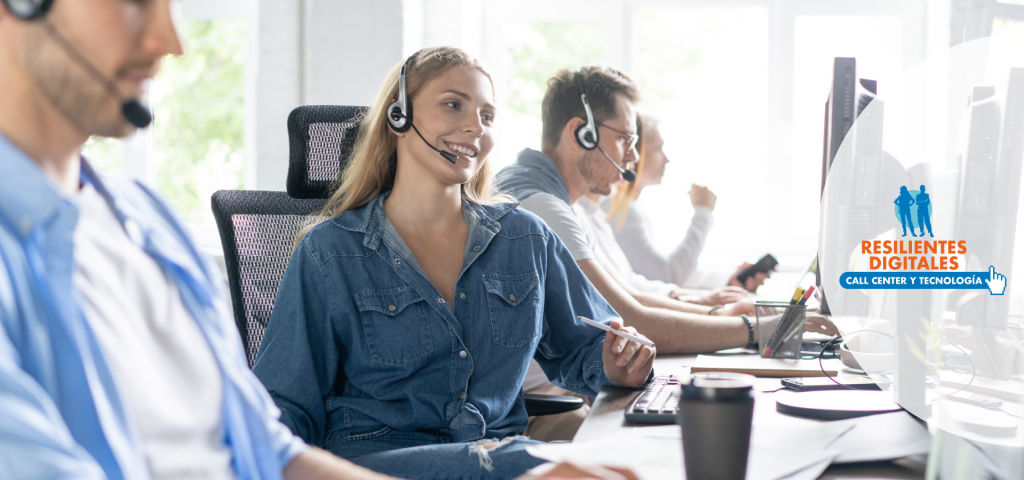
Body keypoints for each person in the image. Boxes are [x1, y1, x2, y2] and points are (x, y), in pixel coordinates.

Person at [0, 2, 633, 480]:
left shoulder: (147, 228)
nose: (174, 42)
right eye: (134, 2)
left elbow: (268, 447)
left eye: (487, 114)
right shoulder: (329, 251)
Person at [252, 47, 655, 480]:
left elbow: (586, 347)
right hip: (378, 464)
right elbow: (282, 406)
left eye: (487, 116)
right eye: (453, 105)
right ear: (398, 117)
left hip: (497, 455)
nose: (475, 127)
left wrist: (619, 363)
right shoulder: (329, 252)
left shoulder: (524, 238)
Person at [495, 67, 761, 356]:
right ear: (581, 134)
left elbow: (629, 294)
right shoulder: (541, 208)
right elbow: (630, 320)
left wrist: (717, 314)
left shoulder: (566, 204)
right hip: (549, 385)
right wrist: (752, 329)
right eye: (625, 139)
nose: (633, 156)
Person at [602, 114, 771, 292]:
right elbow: (668, 276)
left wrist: (729, 279)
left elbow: (672, 274)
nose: (666, 160)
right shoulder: (618, 209)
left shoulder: (633, 206)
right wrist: (702, 213)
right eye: (657, 149)